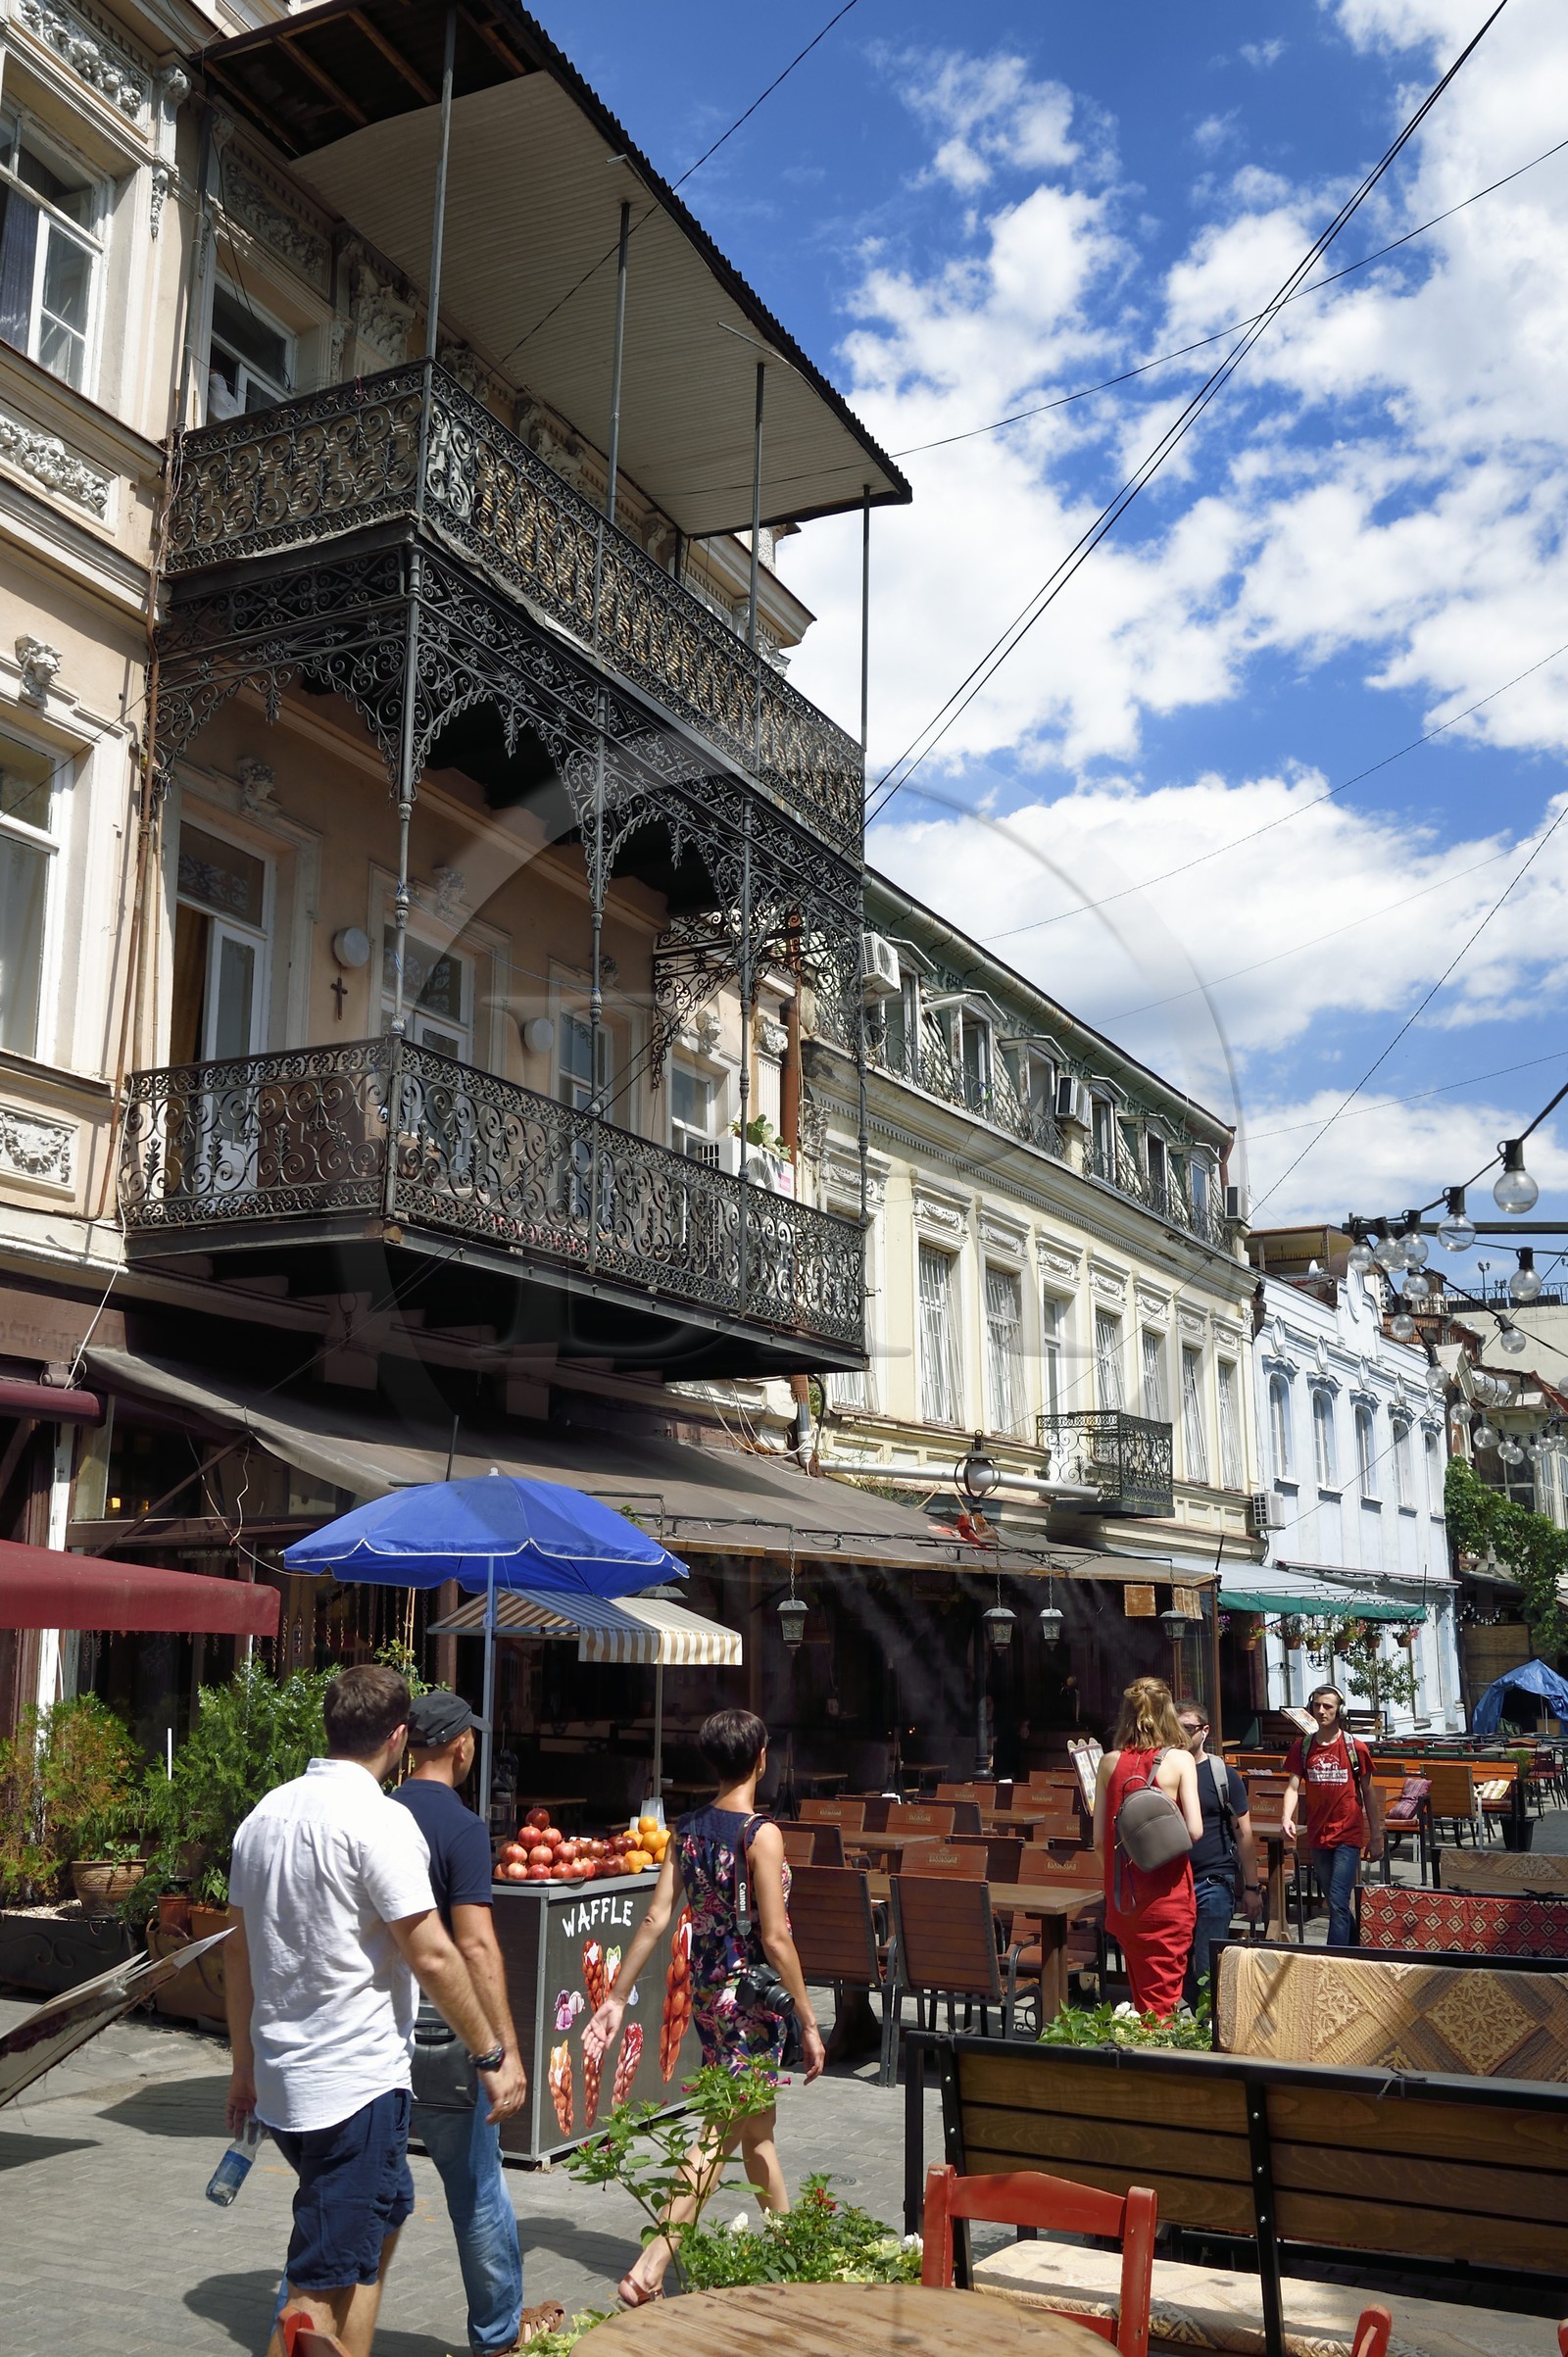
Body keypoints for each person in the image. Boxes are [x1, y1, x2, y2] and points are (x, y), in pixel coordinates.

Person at [225, 1664, 525, 2357]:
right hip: (351, 2088)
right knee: (314, 2293)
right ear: (397, 1736)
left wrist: (243, 2068)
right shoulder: (380, 1822)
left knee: (386, 2213)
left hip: (288, 2080)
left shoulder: (264, 1815)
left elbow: (237, 1954)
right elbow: (437, 1955)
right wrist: (490, 2052)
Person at [584, 1707, 826, 2306]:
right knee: (722, 2129)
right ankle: (649, 2268)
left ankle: (791, 2255)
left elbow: (656, 1918)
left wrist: (616, 1996)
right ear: (761, 1759)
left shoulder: (687, 1828)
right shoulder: (761, 1834)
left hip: (708, 1994)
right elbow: (776, 1937)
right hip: (753, 2002)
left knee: (757, 2130)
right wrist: (808, 2018)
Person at [393, 1691, 564, 2355]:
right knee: (477, 2190)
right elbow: (476, 1945)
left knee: (368, 2186)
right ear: (461, 1744)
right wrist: (505, 2051)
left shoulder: (379, 1813)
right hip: (445, 2028)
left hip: (378, 2025)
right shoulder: (462, 1827)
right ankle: (498, 2336)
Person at [1094, 1676, 1203, 2021]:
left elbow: (1099, 1841)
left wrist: (1122, 1876)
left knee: (1143, 1997)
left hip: (1125, 1899)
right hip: (1167, 1895)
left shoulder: (1108, 1762)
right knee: (1163, 2008)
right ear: (1168, 1712)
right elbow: (1195, 1830)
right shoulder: (1181, 1760)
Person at [1281, 1683, 1383, 1947]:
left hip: (1348, 1834)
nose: (1321, 1711)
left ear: (1340, 1711)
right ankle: (1355, 1948)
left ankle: (1332, 1957)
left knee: (1337, 1899)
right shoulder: (1303, 1747)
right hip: (1318, 1834)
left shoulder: (1355, 1748)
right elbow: (1292, 1787)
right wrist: (1286, 1817)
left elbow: (1369, 1793)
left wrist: (1376, 1836)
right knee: (1336, 1901)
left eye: (1327, 1706)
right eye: (1317, 1705)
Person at [1175, 1697, 1261, 2003]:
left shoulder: (1222, 1775)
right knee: (1177, 1964)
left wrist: (1252, 1888)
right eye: (1174, 1727)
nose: (1180, 1734)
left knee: (1207, 1963)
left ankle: (1210, 2021)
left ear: (1205, 1731)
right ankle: (1191, 2020)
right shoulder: (1165, 1772)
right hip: (1173, 1883)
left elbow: (1244, 1833)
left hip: (1213, 1880)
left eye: (1187, 1728)